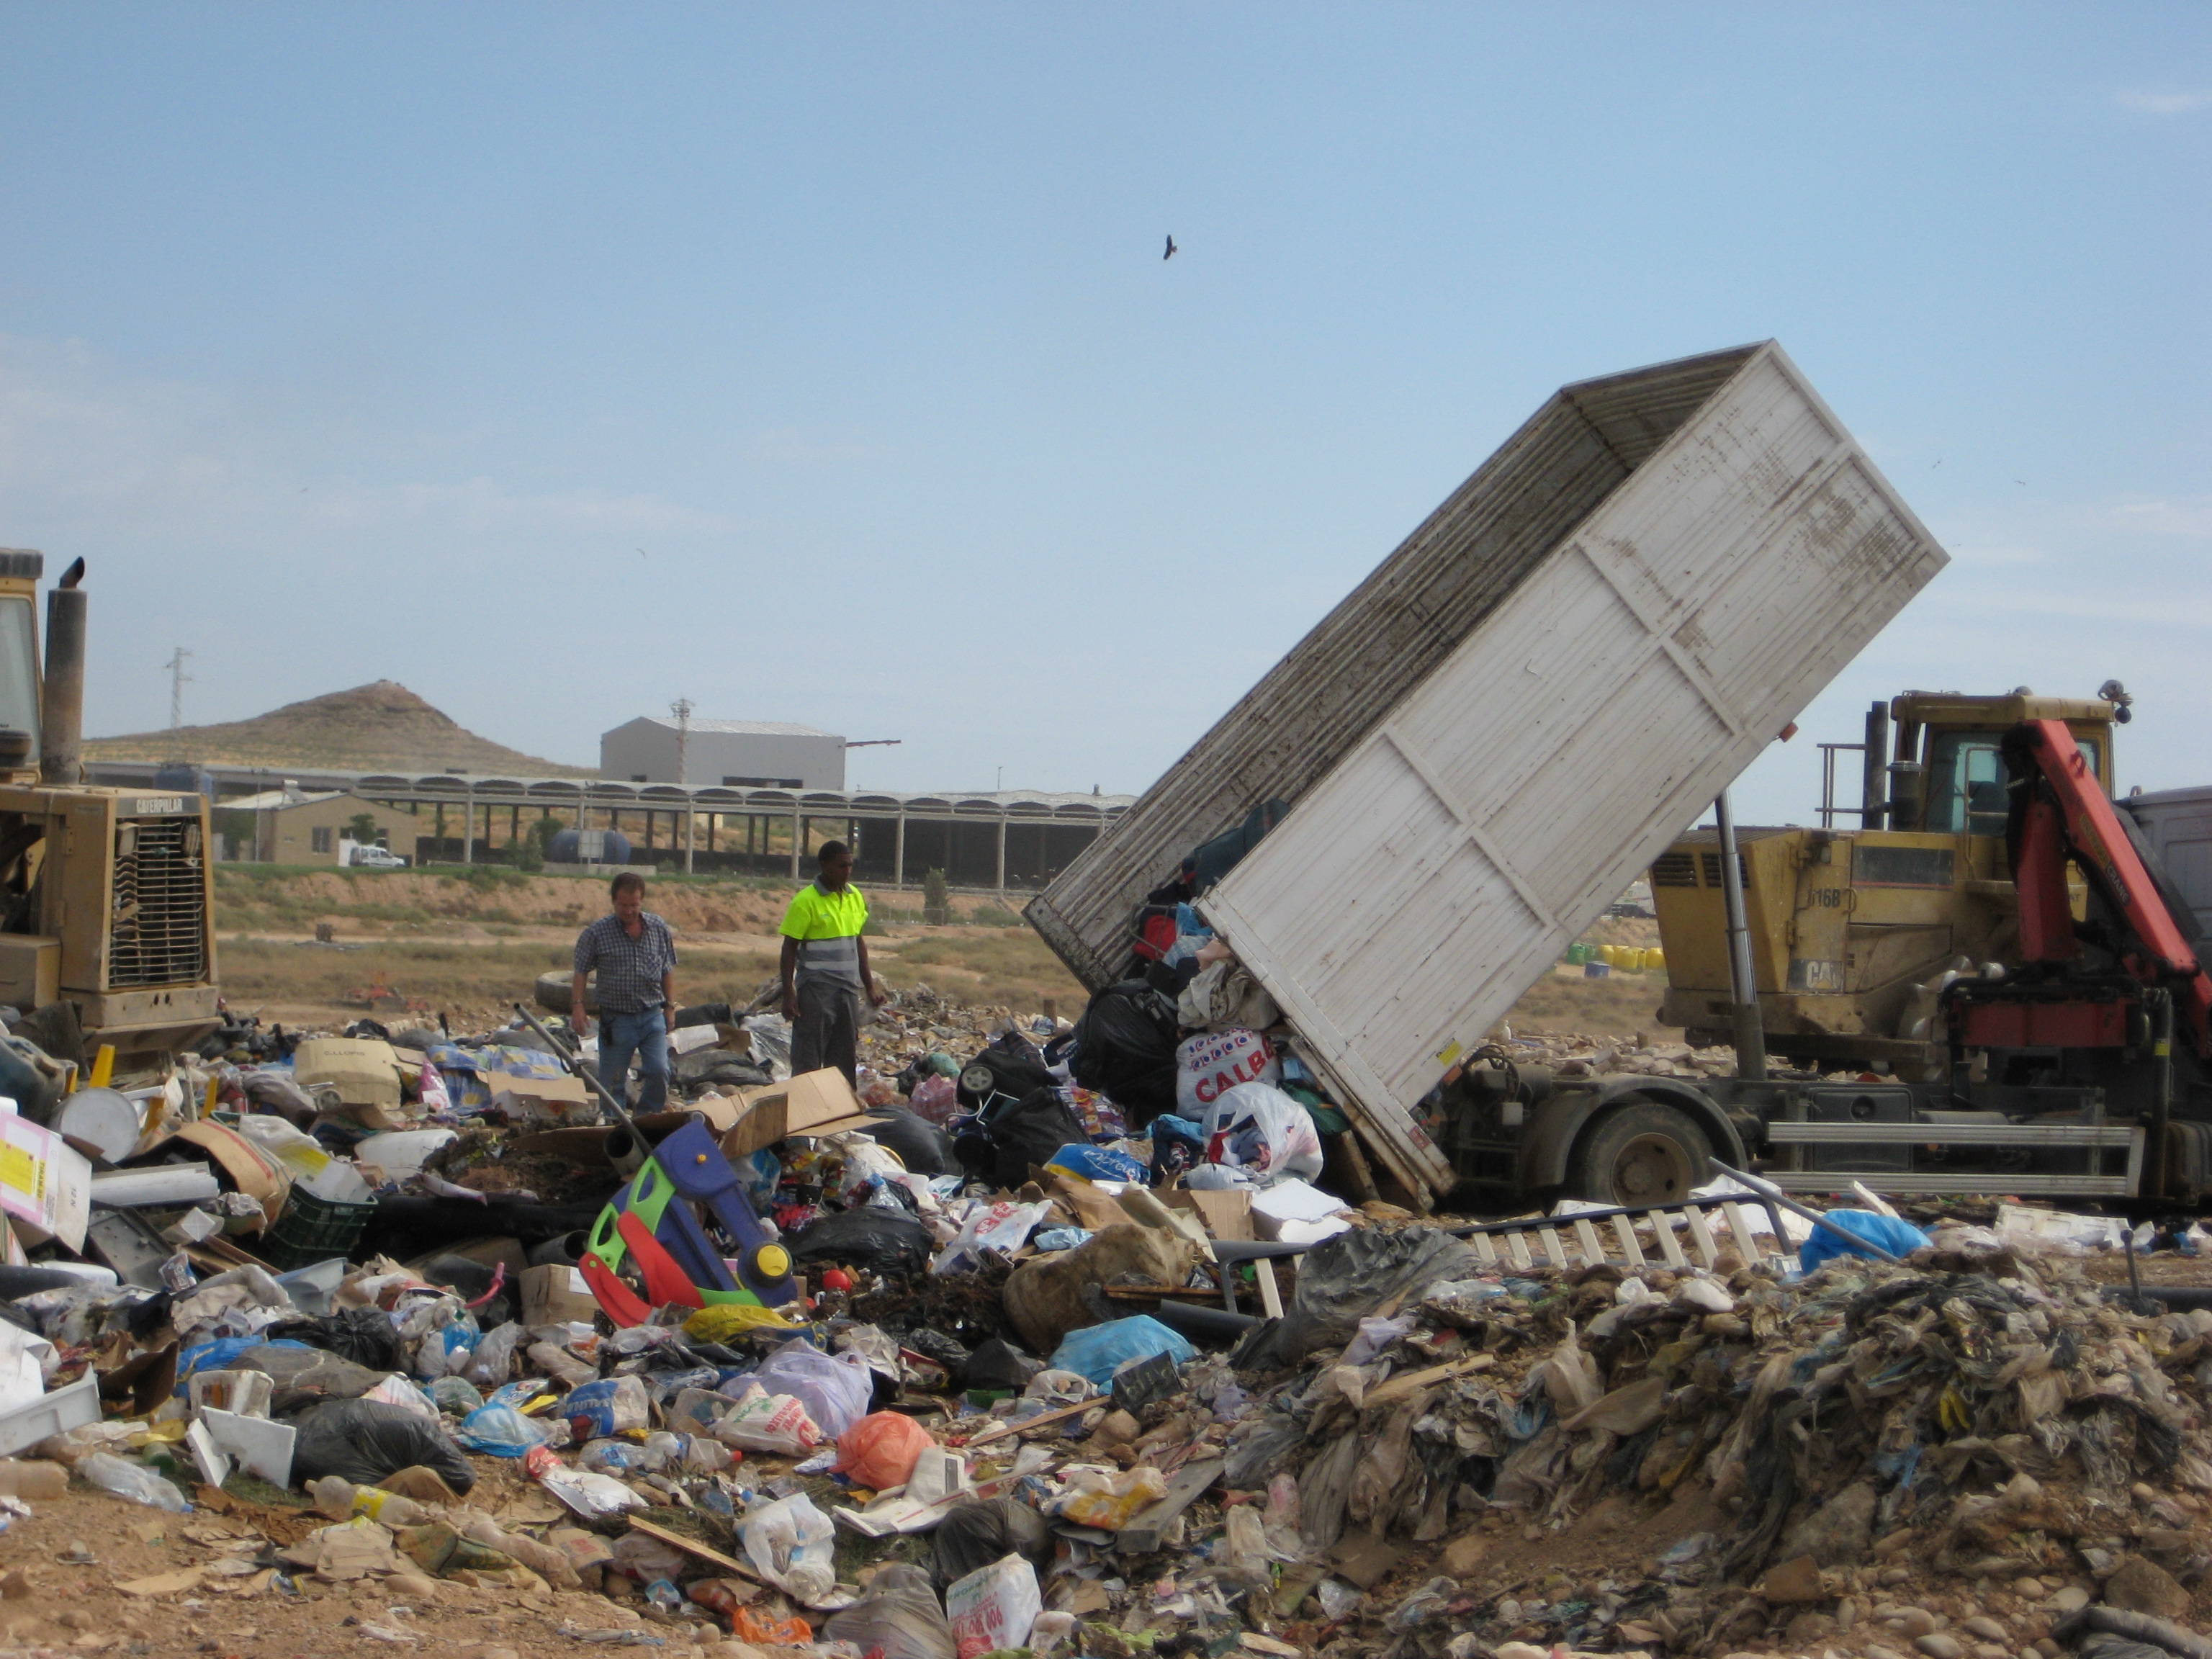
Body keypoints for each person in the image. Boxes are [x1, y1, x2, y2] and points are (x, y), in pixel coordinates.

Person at [572, 870, 679, 1112]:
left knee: (659, 1070)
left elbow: (667, 968)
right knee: (613, 1082)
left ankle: (646, 1120)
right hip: (617, 1019)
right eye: (623, 905)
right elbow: (581, 971)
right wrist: (577, 1007)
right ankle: (615, 1129)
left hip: (652, 1015)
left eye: (634, 905)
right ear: (614, 902)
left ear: (641, 901)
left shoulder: (658, 928)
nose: (629, 910)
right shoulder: (597, 933)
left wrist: (670, 1007)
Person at [778, 841, 885, 1084]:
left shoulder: (854, 896)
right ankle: (806, 1110)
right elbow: (788, 949)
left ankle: (840, 1112)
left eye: (850, 865)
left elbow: (858, 943)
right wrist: (789, 993)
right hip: (816, 990)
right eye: (841, 866)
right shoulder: (805, 901)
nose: (847, 871)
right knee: (809, 1056)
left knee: (843, 1057)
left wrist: (869, 988)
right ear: (825, 865)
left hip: (847, 990)